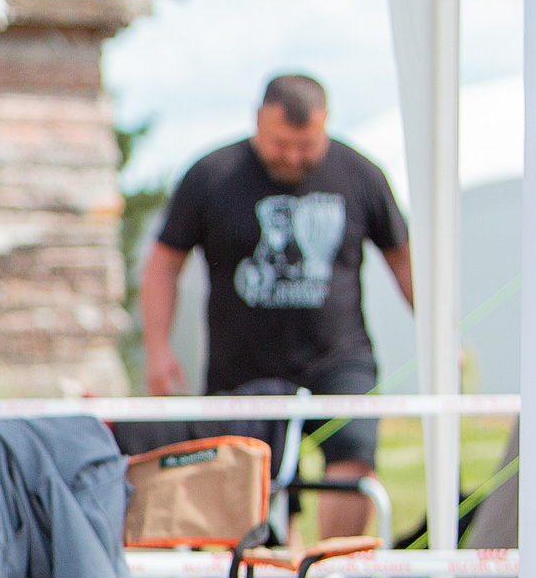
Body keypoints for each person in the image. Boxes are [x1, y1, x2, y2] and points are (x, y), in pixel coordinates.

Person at [141, 74, 414, 541]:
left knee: (352, 461)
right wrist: (158, 348)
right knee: (251, 491)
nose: (292, 157)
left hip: (338, 359)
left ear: (326, 126)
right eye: (280, 144)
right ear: (258, 123)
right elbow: (164, 263)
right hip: (242, 368)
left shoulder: (360, 174)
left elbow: (404, 261)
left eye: (306, 145)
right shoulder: (212, 175)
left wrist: (441, 335)